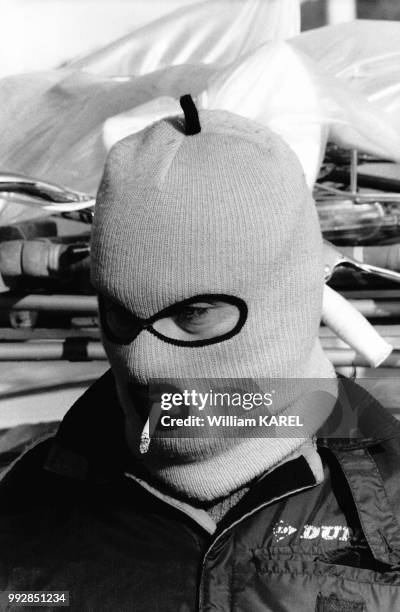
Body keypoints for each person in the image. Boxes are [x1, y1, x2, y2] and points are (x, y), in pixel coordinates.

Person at [1, 96, 400, 612]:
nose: (144, 361)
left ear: (284, 299)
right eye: (122, 315)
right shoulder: (34, 503)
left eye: (193, 314)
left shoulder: (391, 500)